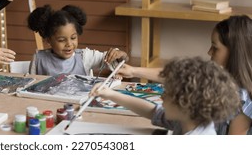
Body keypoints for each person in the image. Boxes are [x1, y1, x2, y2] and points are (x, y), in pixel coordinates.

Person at [117, 15, 252, 135]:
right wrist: (133, 71)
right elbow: (182, 77)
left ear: (235, 52)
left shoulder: (242, 101)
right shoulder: (218, 78)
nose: (209, 52)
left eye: (215, 48)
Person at [90, 56, 241, 135]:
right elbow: (152, 111)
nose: (161, 96)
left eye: (167, 92)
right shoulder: (188, 121)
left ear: (185, 103)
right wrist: (109, 94)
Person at [27, 4, 128, 76]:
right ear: (48, 40)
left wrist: (120, 55)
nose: (69, 44)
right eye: (62, 40)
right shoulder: (38, 59)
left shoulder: (85, 57)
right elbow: (30, 87)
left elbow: (117, 63)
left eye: (73, 38)